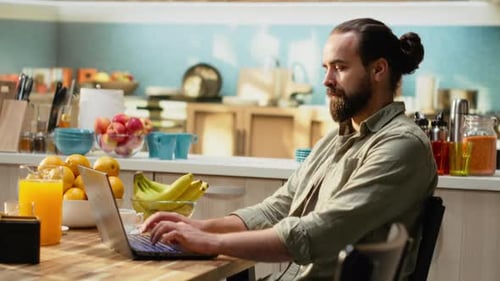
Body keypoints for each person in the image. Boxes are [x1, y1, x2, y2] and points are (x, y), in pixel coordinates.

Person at [141, 18, 438, 280]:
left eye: (340, 67)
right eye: (326, 68)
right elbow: (279, 207)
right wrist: (202, 227)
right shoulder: (339, 138)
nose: (327, 80)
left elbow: (320, 232)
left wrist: (212, 243)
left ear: (379, 70)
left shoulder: (401, 146)